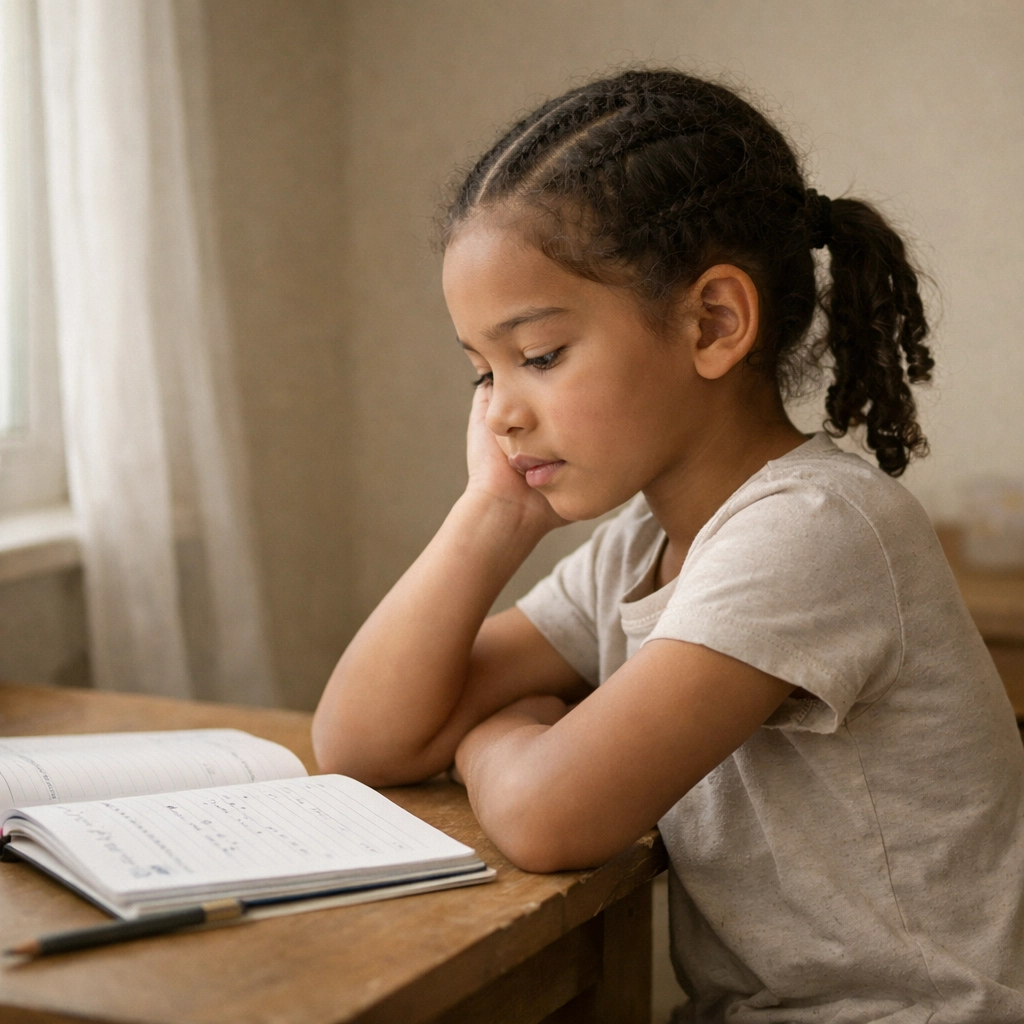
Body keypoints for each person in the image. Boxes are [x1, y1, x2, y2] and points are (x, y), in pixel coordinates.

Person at [312, 69, 1024, 1021]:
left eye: (539, 356)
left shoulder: (814, 531)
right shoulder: (643, 542)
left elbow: (549, 817)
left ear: (713, 323)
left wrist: (497, 733)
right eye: (481, 372)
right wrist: (491, 513)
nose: (501, 413)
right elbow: (361, 741)